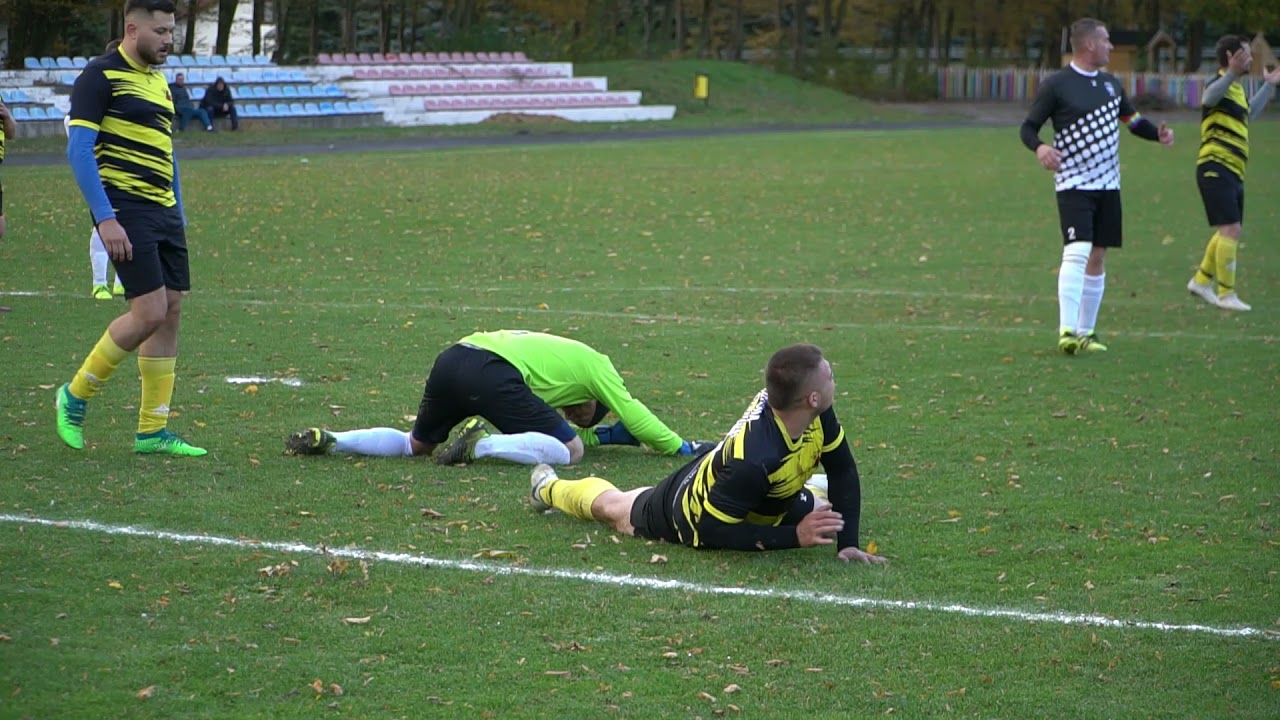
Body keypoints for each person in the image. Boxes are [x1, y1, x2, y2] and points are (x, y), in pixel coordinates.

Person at [528, 344, 885, 564]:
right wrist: (796, 536)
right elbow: (713, 530)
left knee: (823, 512)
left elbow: (843, 470)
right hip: (687, 509)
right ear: (812, 398)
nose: (834, 381)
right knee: (615, 510)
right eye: (830, 377)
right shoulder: (755, 458)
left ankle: (806, 490)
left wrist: (848, 545)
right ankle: (547, 488)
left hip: (764, 494)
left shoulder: (815, 413)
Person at [55, 0, 205, 457]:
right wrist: (105, 218)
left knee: (171, 310)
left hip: (163, 211)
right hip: (126, 208)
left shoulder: (158, 82)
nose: (168, 40)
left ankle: (152, 431)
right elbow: (79, 150)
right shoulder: (99, 76)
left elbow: (166, 151)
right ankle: (74, 396)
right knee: (149, 312)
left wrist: (177, 209)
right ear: (132, 28)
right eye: (160, 32)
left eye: (171, 31)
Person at [285, 329, 710, 466]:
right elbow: (633, 412)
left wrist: (614, 437)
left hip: (454, 357)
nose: (574, 414)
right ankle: (480, 446)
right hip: (491, 370)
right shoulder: (599, 366)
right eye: (581, 412)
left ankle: (335, 439)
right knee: (571, 452)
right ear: (596, 400)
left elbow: (558, 429)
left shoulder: (561, 364)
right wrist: (681, 447)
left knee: (416, 445)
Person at [1020, 18, 1174, 355]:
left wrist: (1157, 135)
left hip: (1108, 184)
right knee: (1077, 250)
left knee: (1098, 255)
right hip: (1074, 183)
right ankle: (1066, 330)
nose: (1110, 46)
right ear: (1089, 44)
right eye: (1105, 40)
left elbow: (1132, 121)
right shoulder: (1057, 85)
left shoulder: (1110, 84)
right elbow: (1028, 128)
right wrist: (1041, 148)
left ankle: (1086, 333)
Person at [1186, 35, 1280, 312]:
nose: (1251, 59)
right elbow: (1208, 98)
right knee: (1231, 228)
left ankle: (1201, 281)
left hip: (1233, 169)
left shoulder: (1235, 89)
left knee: (1229, 228)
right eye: (1246, 54)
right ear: (1231, 57)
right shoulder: (1219, 83)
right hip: (1215, 165)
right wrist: (1230, 73)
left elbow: (1248, 115)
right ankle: (1226, 294)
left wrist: (1269, 85)